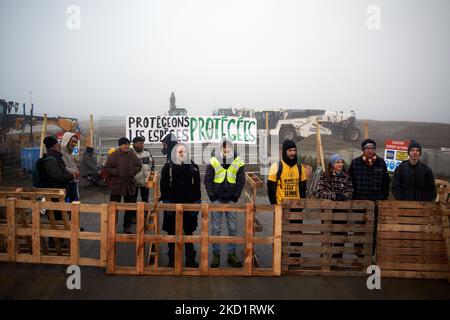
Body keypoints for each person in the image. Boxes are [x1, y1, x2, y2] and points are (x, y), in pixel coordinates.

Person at [204, 139, 245, 268]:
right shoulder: (213, 161)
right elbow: (207, 180)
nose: (226, 150)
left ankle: (231, 254)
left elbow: (241, 180)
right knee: (216, 228)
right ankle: (216, 255)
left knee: (232, 228)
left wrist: (235, 197)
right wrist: (212, 196)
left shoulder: (238, 162)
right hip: (217, 200)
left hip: (231, 200)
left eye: (229, 148)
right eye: (224, 148)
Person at [160, 142, 201, 268]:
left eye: (184, 151)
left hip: (189, 205)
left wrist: (196, 203)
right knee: (172, 233)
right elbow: (164, 186)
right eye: (179, 151)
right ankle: (172, 260)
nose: (182, 153)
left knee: (188, 232)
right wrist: (167, 205)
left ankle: (190, 260)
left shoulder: (193, 167)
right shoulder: (168, 167)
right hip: (172, 204)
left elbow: (197, 187)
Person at [315, 154, 353, 260]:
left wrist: (344, 196)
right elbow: (320, 191)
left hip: (342, 211)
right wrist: (333, 196)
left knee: (340, 235)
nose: (340, 164)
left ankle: (337, 259)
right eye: (337, 162)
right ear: (332, 164)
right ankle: (325, 258)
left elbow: (350, 191)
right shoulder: (325, 175)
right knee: (327, 234)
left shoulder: (347, 177)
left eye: (341, 162)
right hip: (328, 211)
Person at [104, 137, 142, 234]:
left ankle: (127, 227)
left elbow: (139, 165)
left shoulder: (132, 154)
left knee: (129, 207)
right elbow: (107, 167)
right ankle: (112, 227)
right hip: (117, 185)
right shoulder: (113, 155)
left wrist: (132, 171)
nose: (126, 146)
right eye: (124, 144)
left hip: (129, 184)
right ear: (120, 145)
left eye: (128, 144)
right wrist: (118, 172)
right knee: (114, 207)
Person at [267, 140, 307, 205]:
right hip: (281, 206)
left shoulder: (300, 167)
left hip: (296, 206)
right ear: (284, 151)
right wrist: (274, 204)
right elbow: (271, 188)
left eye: (294, 150)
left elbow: (303, 188)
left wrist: (301, 204)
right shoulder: (275, 167)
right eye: (290, 150)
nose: (293, 153)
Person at [132, 136, 155, 203]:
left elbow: (152, 164)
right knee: (132, 201)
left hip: (145, 181)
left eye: (143, 143)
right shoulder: (130, 153)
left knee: (145, 201)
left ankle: (145, 213)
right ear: (135, 144)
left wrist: (150, 176)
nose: (143, 145)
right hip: (134, 182)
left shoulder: (147, 152)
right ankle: (133, 213)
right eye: (141, 143)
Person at [61, 132, 80, 202]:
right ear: (67, 140)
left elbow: (73, 165)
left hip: (72, 182)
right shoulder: (61, 152)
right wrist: (75, 172)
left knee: (74, 205)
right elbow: (63, 167)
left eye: (75, 142)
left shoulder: (69, 153)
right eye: (73, 141)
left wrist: (77, 171)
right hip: (65, 184)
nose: (74, 144)